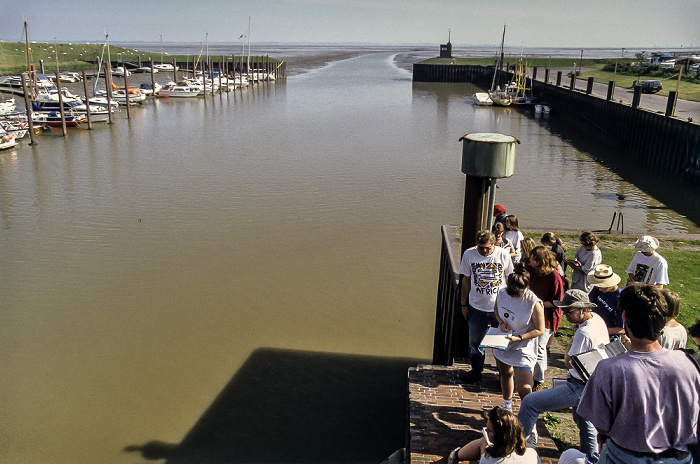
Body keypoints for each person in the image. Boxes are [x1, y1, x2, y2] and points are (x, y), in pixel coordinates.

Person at [577, 284, 700, 464]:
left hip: (623, 458)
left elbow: (601, 427)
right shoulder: (689, 363)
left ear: (625, 316)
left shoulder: (609, 369)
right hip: (680, 458)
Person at [517, 289, 609, 454]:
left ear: (584, 309)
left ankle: (516, 447)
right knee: (584, 420)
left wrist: (569, 345)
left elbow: (569, 362)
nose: (564, 313)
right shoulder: (598, 320)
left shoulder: (584, 333)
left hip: (579, 386)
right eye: (563, 309)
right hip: (594, 383)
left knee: (530, 403)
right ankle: (591, 456)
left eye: (569, 310)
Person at [460, 230, 515, 383]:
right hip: (476, 307)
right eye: (480, 248)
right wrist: (463, 304)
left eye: (487, 248)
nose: (484, 251)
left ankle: (502, 375)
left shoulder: (503, 255)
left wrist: (511, 303)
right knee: (475, 342)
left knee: (501, 342)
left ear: (493, 245)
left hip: (500, 308)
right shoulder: (469, 254)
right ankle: (476, 371)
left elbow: (509, 278)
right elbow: (465, 280)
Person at [493, 267, 545, 412]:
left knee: (524, 389)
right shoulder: (502, 293)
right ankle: (506, 404)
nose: (514, 298)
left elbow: (540, 329)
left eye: (517, 295)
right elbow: (496, 310)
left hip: (523, 346)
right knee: (505, 374)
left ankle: (528, 417)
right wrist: (502, 323)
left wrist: (518, 337)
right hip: (503, 341)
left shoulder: (534, 302)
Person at [526, 246, 565, 389]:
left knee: (540, 348)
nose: (530, 261)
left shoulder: (554, 277)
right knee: (530, 345)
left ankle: (539, 380)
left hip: (547, 316)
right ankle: (527, 373)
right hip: (532, 313)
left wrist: (538, 304)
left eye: (533, 259)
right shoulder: (531, 269)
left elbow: (558, 301)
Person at [448, 406, 540, 464]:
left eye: (490, 430)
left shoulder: (488, 459)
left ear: (501, 437)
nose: (485, 431)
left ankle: (455, 456)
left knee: (484, 441)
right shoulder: (532, 454)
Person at [586, 265, 625, 341]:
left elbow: (621, 329)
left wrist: (599, 331)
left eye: (603, 286)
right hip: (595, 330)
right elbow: (593, 306)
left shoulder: (621, 300)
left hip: (609, 338)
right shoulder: (597, 289)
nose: (600, 289)